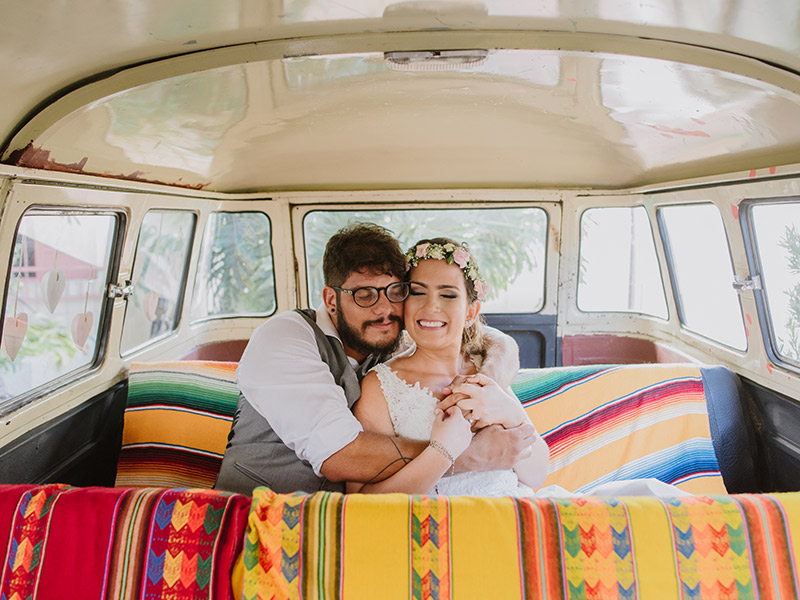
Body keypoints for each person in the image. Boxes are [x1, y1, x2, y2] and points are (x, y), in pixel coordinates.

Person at [348, 238, 687, 498]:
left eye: (448, 295)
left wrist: (509, 412)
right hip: (443, 525)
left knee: (654, 498)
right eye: (418, 292)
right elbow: (362, 500)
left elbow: (536, 474)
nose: (431, 306)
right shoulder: (381, 387)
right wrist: (446, 453)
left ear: (470, 310)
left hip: (518, 508)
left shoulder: (486, 375)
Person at [214, 223, 536, 496]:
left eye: (395, 292)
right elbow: (340, 454)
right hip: (260, 509)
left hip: (342, 523)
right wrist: (464, 456)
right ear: (331, 300)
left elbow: (494, 340)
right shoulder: (285, 337)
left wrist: (489, 385)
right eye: (365, 295)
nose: (384, 310)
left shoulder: (391, 338)